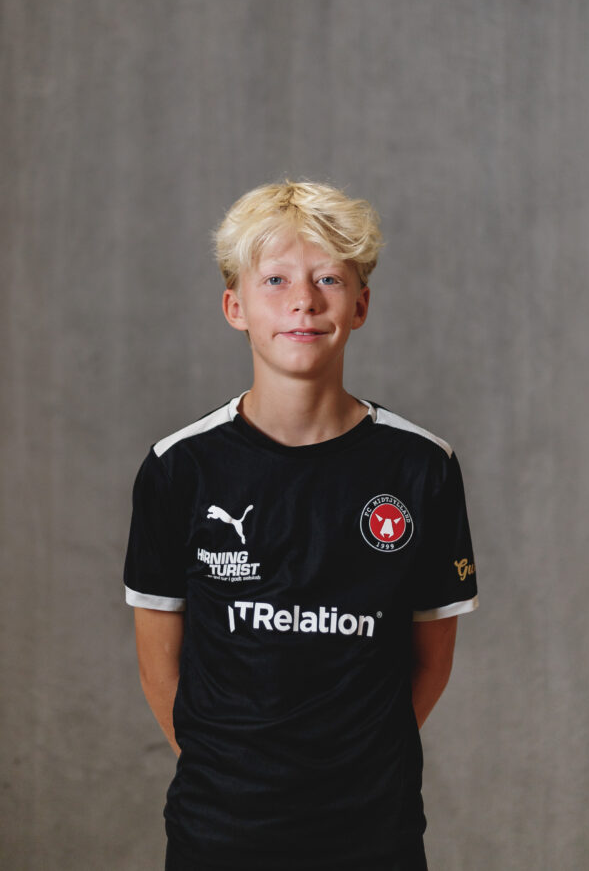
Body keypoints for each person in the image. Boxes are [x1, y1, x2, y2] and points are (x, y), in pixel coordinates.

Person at [123, 179, 479, 871]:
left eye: (328, 279)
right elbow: (158, 666)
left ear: (361, 304)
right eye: (276, 280)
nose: (304, 302)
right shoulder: (179, 469)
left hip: (373, 834)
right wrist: (233, 777)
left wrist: (353, 770)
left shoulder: (421, 468)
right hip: (218, 833)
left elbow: (430, 661)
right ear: (235, 306)